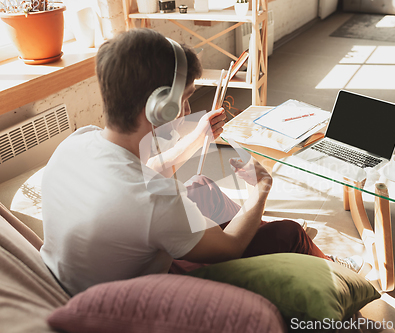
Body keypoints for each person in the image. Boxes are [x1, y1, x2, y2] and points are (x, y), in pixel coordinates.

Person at [40, 28, 362, 296]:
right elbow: (229, 249)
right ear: (161, 108)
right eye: (186, 98)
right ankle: (334, 274)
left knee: (198, 187)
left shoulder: (78, 141)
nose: (185, 108)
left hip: (93, 277)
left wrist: (196, 137)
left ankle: (277, 240)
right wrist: (261, 189)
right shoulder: (154, 200)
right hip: (136, 301)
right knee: (288, 233)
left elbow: (142, 177)